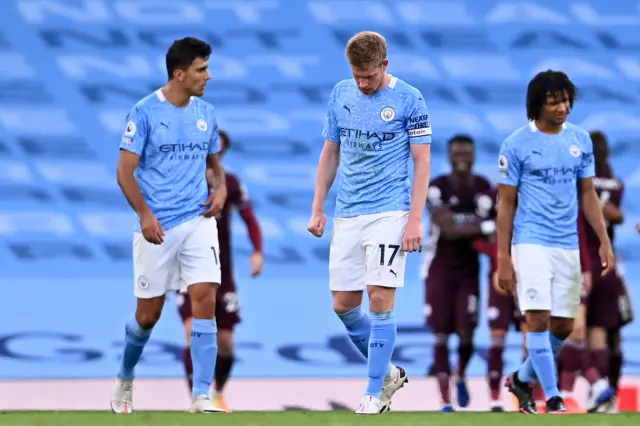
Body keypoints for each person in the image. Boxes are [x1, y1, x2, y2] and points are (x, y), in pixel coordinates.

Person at [306, 31, 432, 415]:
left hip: (390, 211)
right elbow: (331, 151)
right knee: (344, 305)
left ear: (385, 65)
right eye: (357, 75)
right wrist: (318, 207)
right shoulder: (341, 94)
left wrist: (414, 220)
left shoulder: (410, 99)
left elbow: (422, 162)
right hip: (348, 212)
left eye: (369, 76)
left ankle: (373, 394)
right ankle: (390, 373)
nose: (362, 83)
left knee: (380, 297)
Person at [110, 37, 227, 414]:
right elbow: (124, 172)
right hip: (158, 227)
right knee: (148, 316)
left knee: (205, 299)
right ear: (179, 74)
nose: (207, 76)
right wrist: (145, 214)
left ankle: (202, 395)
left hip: (198, 220)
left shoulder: (206, 113)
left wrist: (221, 187)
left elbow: (213, 163)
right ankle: (125, 379)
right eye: (201, 69)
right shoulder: (144, 113)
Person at [497, 70, 614, 414]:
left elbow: (588, 194)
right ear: (538, 105)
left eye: (565, 100)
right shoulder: (516, 144)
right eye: (554, 102)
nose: (562, 107)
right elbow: (506, 204)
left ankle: (520, 378)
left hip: (567, 244)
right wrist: (504, 259)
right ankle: (553, 397)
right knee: (538, 318)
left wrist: (603, 241)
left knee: (564, 324)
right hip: (531, 241)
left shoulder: (579, 140)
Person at [176, 130, 264, 412]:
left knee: (225, 344)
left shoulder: (232, 183)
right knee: (193, 334)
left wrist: (257, 251)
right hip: (188, 270)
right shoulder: (182, 180)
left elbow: (249, 218)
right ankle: (197, 397)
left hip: (222, 273)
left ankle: (218, 392)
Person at [423, 135, 493, 412]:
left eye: (467, 153)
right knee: (440, 334)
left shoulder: (483, 187)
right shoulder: (438, 187)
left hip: (469, 271)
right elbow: (449, 229)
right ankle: (445, 400)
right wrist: (482, 226)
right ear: (450, 156)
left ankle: (461, 375)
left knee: (467, 332)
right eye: (457, 153)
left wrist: (478, 226)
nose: (462, 157)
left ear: (474, 156)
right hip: (439, 269)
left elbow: (494, 221)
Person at [579, 130, 632, 412]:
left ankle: (599, 388)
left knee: (588, 329)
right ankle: (605, 390)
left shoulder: (577, 181)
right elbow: (617, 214)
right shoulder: (616, 184)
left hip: (582, 262)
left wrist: (591, 202)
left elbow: (615, 215)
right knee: (607, 330)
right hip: (608, 265)